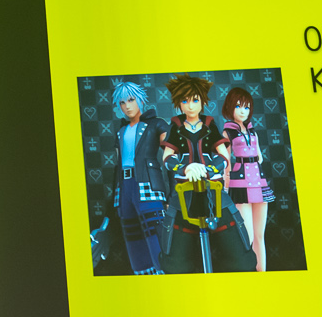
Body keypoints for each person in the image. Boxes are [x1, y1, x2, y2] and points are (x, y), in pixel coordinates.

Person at [159, 77, 253, 275]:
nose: (190, 106)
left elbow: (224, 156)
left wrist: (208, 170)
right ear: (179, 104)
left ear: (202, 101)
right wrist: (186, 169)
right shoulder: (175, 125)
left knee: (241, 258)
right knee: (175, 263)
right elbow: (167, 157)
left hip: (214, 192)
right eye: (185, 101)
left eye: (195, 100)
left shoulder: (210, 124)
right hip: (183, 195)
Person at [97, 81, 170, 276]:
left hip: (147, 183)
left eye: (131, 100)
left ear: (140, 100)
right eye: (122, 102)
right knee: (131, 234)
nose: (127, 106)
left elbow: (170, 158)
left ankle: (164, 275)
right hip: (124, 187)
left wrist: (170, 195)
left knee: (154, 230)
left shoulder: (156, 124)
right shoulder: (121, 131)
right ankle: (142, 276)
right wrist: (114, 198)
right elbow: (118, 164)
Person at [220, 87, 272, 273]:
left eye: (247, 107)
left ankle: (262, 274)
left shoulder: (252, 131)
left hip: (258, 181)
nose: (243, 111)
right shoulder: (227, 132)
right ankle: (247, 274)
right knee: (247, 236)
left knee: (259, 235)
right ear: (230, 107)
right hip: (240, 182)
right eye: (238, 106)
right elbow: (226, 162)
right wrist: (226, 188)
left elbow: (260, 157)